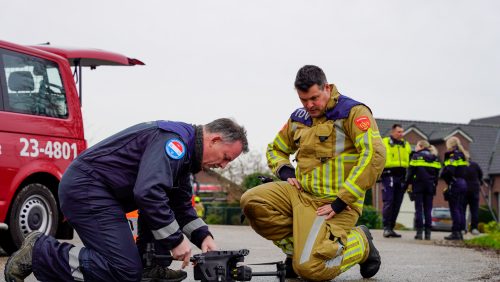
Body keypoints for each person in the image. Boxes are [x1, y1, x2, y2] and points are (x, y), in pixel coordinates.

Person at [4, 118, 248, 282]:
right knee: (123, 271)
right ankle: (41, 252)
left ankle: (148, 266)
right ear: (214, 140)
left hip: (101, 192)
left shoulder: (185, 158)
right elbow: (148, 192)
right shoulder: (173, 143)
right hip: (87, 189)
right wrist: (175, 241)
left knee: (160, 212)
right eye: (226, 157)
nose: (224, 166)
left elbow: (181, 204)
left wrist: (203, 237)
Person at [240, 65, 386, 281]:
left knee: (311, 269)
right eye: (303, 100)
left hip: (334, 204)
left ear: (326, 87)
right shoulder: (299, 118)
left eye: (314, 98)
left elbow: (374, 156)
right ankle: (296, 253)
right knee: (251, 201)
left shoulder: (353, 112)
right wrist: (284, 168)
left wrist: (341, 200)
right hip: (300, 195)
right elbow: (275, 148)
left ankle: (361, 243)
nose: (309, 105)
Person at [405, 140, 441, 240]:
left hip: (418, 186)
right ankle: (428, 234)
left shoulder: (416, 156)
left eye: (416, 145)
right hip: (430, 187)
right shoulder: (435, 158)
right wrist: (434, 185)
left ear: (420, 146)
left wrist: (406, 184)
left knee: (419, 210)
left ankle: (419, 233)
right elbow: (437, 175)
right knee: (428, 210)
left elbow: (410, 173)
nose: (415, 148)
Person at [381, 124, 412, 238]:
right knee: (389, 201)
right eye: (399, 132)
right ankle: (386, 228)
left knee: (397, 203)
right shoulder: (384, 142)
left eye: (402, 132)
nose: (401, 134)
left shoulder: (406, 145)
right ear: (393, 132)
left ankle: (391, 228)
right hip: (389, 175)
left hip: (401, 177)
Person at [440, 136, 469, 240]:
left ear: (449, 145)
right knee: (461, 209)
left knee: (454, 209)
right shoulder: (463, 155)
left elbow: (449, 171)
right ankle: (460, 231)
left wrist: (444, 176)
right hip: (463, 183)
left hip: (455, 183)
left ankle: (455, 232)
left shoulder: (452, 156)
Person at [464, 159, 484, 235]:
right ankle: (474, 228)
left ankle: (463, 228)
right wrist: (479, 181)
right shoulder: (475, 165)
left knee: (462, 210)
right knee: (474, 210)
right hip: (474, 190)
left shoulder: (462, 165)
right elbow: (481, 174)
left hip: (464, 190)